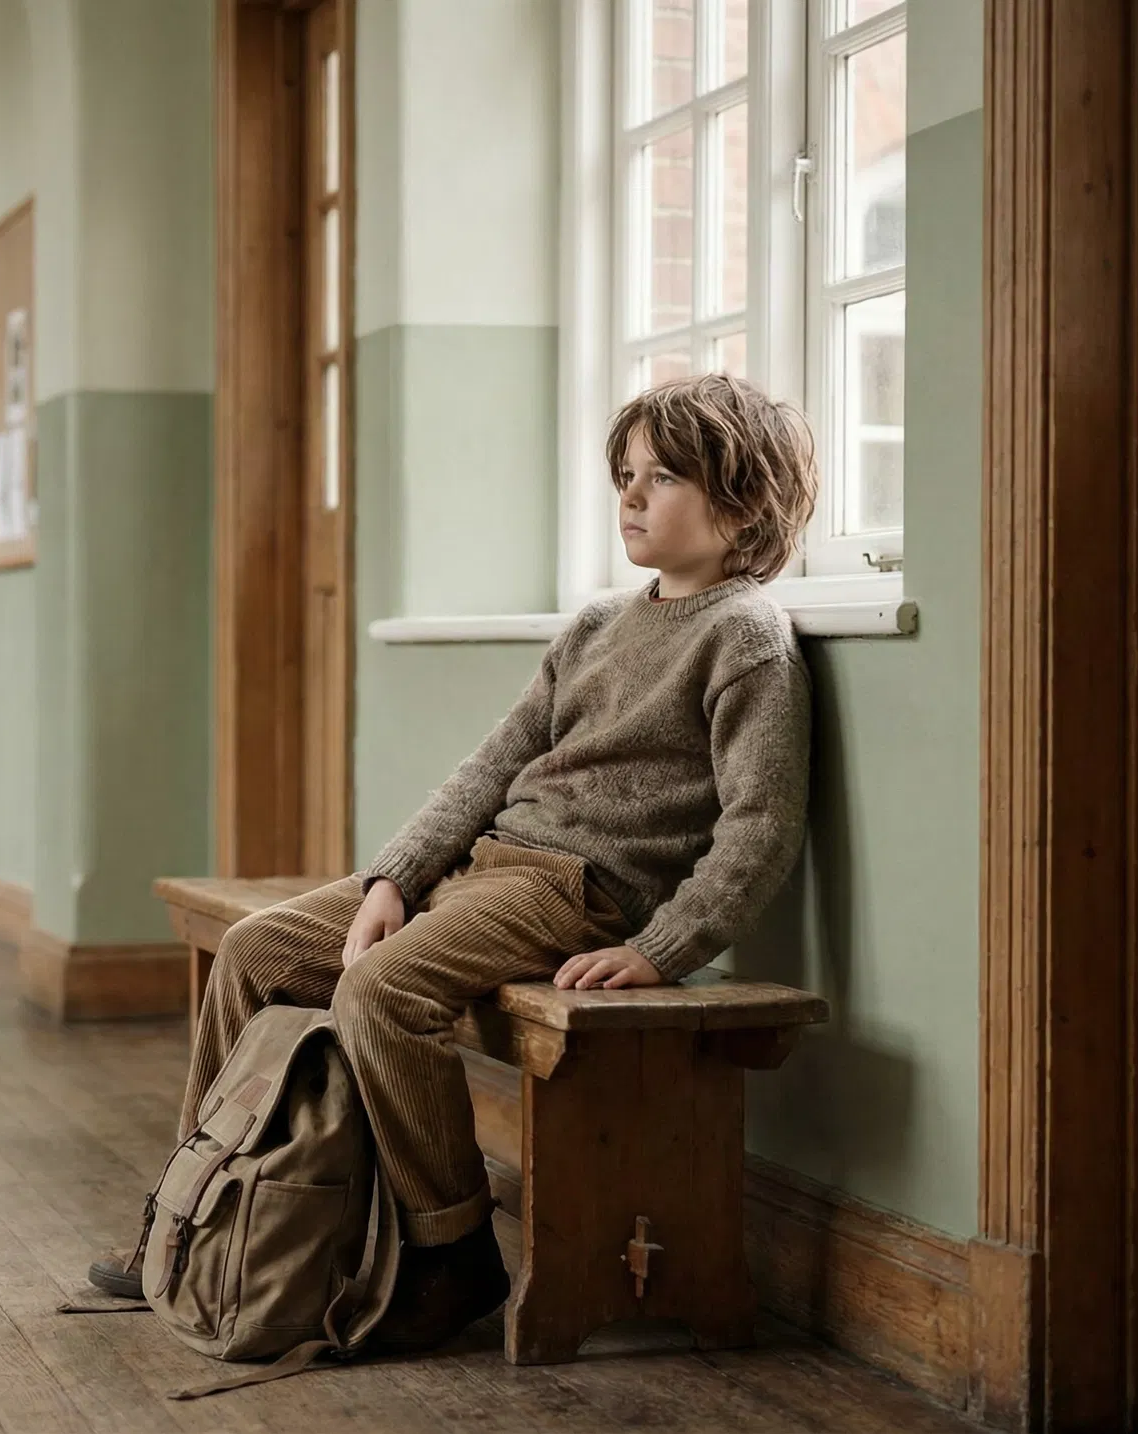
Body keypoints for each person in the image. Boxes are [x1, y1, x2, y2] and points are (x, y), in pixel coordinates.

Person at [90, 372, 821, 1353]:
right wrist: (393, 877)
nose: (632, 497)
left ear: (742, 503)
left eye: (663, 477)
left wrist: (661, 948)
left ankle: (453, 1251)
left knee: (381, 993)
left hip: (574, 891)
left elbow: (761, 824)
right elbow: (491, 765)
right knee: (257, 951)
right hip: (476, 867)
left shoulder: (747, 635)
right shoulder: (599, 626)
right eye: (624, 475)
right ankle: (192, 1211)